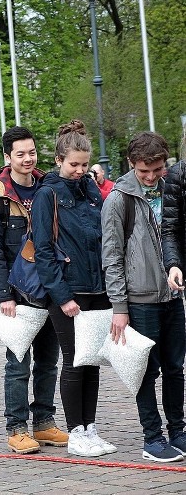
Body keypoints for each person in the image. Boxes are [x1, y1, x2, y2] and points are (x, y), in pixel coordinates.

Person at [0, 126, 68, 454]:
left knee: (49, 361)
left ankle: (44, 423)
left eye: (31, 152)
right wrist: (3, 296)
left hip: (50, 290)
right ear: (8, 157)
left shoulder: (49, 187)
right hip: (18, 294)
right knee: (17, 363)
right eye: (21, 154)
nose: (28, 159)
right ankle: (16, 428)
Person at [32, 119, 113, 458]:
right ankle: (75, 431)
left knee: (92, 360)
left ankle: (90, 427)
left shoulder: (91, 190)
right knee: (74, 360)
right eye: (74, 165)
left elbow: (102, 235)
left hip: (97, 287)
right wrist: (62, 296)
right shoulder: (47, 194)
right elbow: (44, 251)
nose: (80, 171)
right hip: (68, 290)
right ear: (59, 160)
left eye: (84, 165)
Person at [105, 132, 185, 462]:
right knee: (145, 371)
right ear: (131, 165)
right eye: (144, 171)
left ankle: (178, 430)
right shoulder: (119, 198)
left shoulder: (171, 189)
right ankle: (151, 437)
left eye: (157, 169)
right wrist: (120, 307)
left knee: (175, 368)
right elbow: (111, 256)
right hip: (139, 300)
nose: (151, 177)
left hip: (171, 296)